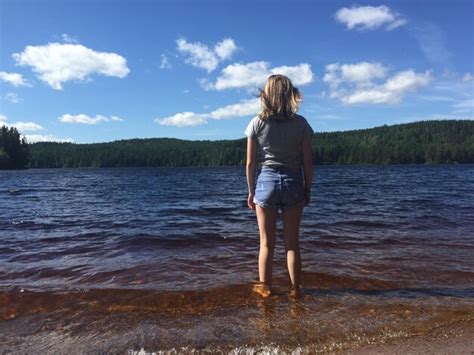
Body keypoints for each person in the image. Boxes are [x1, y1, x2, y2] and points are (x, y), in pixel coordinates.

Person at [244, 74, 314, 299]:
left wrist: (251, 191)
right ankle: (296, 290)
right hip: (293, 180)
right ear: (289, 94)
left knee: (266, 244)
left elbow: (250, 163)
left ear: (266, 95)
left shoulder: (257, 123)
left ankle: (265, 288)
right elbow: (308, 161)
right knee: (292, 244)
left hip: (266, 181)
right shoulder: (301, 124)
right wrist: (307, 189)